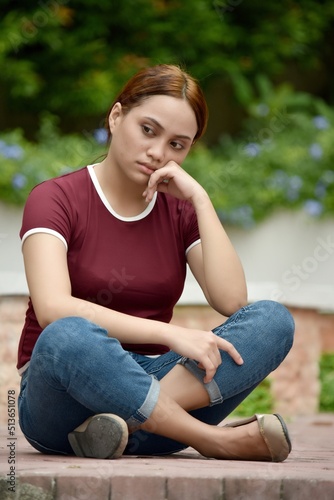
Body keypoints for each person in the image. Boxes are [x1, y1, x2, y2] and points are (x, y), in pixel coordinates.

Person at [17, 64, 294, 462]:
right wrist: (170, 334)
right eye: (148, 130)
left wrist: (200, 200)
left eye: (178, 145)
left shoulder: (178, 210)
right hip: (60, 405)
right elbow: (52, 309)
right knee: (68, 335)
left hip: (141, 396)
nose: (158, 153)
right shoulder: (55, 199)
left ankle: (118, 424)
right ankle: (210, 439)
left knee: (273, 320)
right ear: (116, 117)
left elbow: (232, 300)